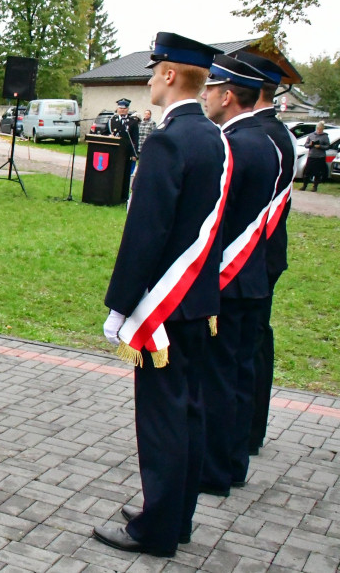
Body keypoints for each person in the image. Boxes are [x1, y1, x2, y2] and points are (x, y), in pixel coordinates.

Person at [94, 33, 227, 558]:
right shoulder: (214, 137)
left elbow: (145, 232)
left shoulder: (168, 140)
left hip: (164, 307)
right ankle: (176, 515)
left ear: (170, 75)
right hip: (198, 300)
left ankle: (155, 531)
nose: (148, 80)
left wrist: (121, 304)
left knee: (162, 419)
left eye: (153, 71)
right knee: (189, 411)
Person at [198, 54, 279, 497]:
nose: (206, 95)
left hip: (228, 275)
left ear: (227, 95)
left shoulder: (232, 144)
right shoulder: (263, 140)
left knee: (218, 378)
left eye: (211, 89)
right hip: (252, 276)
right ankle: (232, 463)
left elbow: (219, 218)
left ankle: (213, 470)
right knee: (240, 373)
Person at [231, 52, 295, 455]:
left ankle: (243, 432)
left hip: (250, 255)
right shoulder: (278, 132)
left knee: (245, 348)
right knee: (255, 342)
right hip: (265, 253)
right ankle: (249, 429)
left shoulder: (261, 135)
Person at [301, 121, 330, 191]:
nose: (319, 130)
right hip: (311, 156)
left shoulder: (325, 136)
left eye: (321, 129)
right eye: (318, 129)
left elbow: (328, 146)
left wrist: (320, 146)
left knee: (318, 173)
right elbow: (305, 145)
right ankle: (304, 186)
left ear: (323, 129)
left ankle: (315, 187)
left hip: (320, 157)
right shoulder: (311, 135)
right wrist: (310, 145)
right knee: (307, 172)